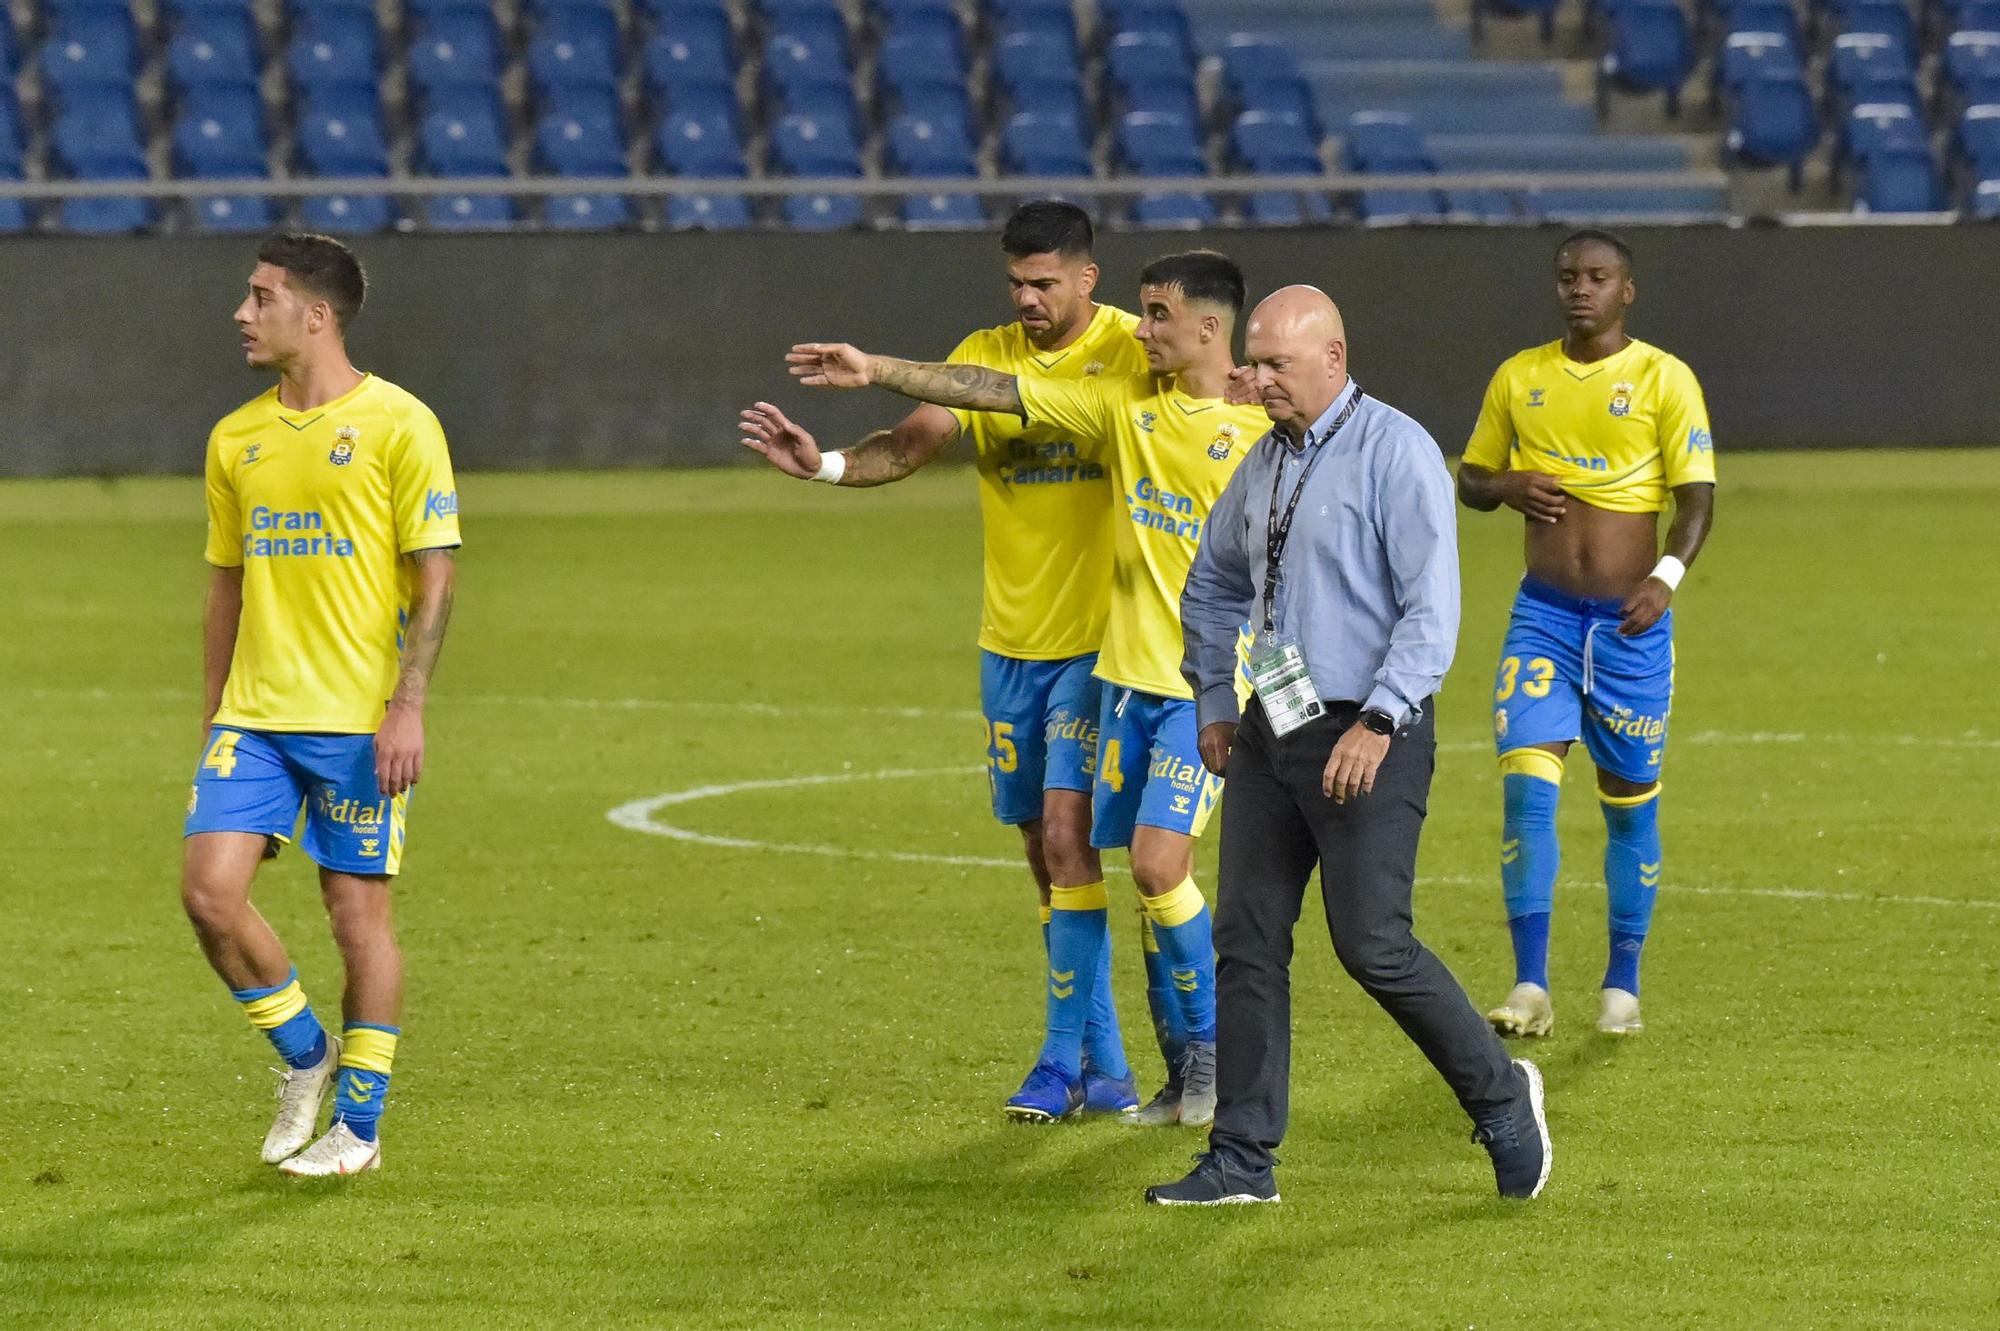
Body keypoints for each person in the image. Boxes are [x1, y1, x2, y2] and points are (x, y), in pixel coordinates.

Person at [786, 251, 1271, 1127]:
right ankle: (1148, 1068)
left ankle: (1211, 1052)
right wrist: (876, 371)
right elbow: (994, 391)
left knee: (1159, 867)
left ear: (1205, 327)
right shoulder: (1124, 406)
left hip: (1206, 685)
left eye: (1159, 314)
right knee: (1079, 857)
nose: (1143, 326)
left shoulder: (1258, 425)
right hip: (1120, 679)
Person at [739, 202, 1150, 1120]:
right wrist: (826, 466)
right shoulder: (985, 346)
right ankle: (1111, 1067)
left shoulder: (1131, 351)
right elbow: (911, 443)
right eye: (1016, 282)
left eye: (1045, 282)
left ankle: (1055, 1062)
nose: (1028, 297)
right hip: (1009, 642)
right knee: (1047, 867)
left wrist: (877, 364)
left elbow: (1001, 399)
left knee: (1065, 840)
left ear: (1089, 278)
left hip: (1101, 638)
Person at [1148, 285, 1549, 1206]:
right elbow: (1211, 582)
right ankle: (1242, 1159)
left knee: (1371, 943)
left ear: (1333, 357)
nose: (1257, 379)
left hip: (1371, 726)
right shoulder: (1262, 462)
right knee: (1245, 936)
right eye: (1252, 361)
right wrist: (1216, 695)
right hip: (1272, 724)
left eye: (1276, 364)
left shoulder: (1395, 450)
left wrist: (1380, 718)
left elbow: (1431, 609)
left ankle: (1501, 1095)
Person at [181, 233, 461, 1177]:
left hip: (356, 722)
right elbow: (228, 584)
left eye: (261, 297)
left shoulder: (399, 425)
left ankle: (360, 1130)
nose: (242, 313)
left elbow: (436, 577)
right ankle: (307, 1059)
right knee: (209, 896)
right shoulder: (235, 436)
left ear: (317, 314)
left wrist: (408, 705)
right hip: (253, 720)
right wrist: (214, 713)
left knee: (357, 920)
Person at [1459, 230, 1717, 1039]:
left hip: (1630, 626)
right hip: (1543, 616)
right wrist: (1504, 482)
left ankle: (1622, 983)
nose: (1581, 289)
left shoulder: (1663, 378)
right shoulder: (1519, 375)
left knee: (1629, 808)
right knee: (1527, 794)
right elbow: (1469, 478)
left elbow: (1697, 498)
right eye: (1569, 276)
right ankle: (1530, 984)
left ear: (1626, 291)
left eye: (1598, 277)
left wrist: (1663, 581)